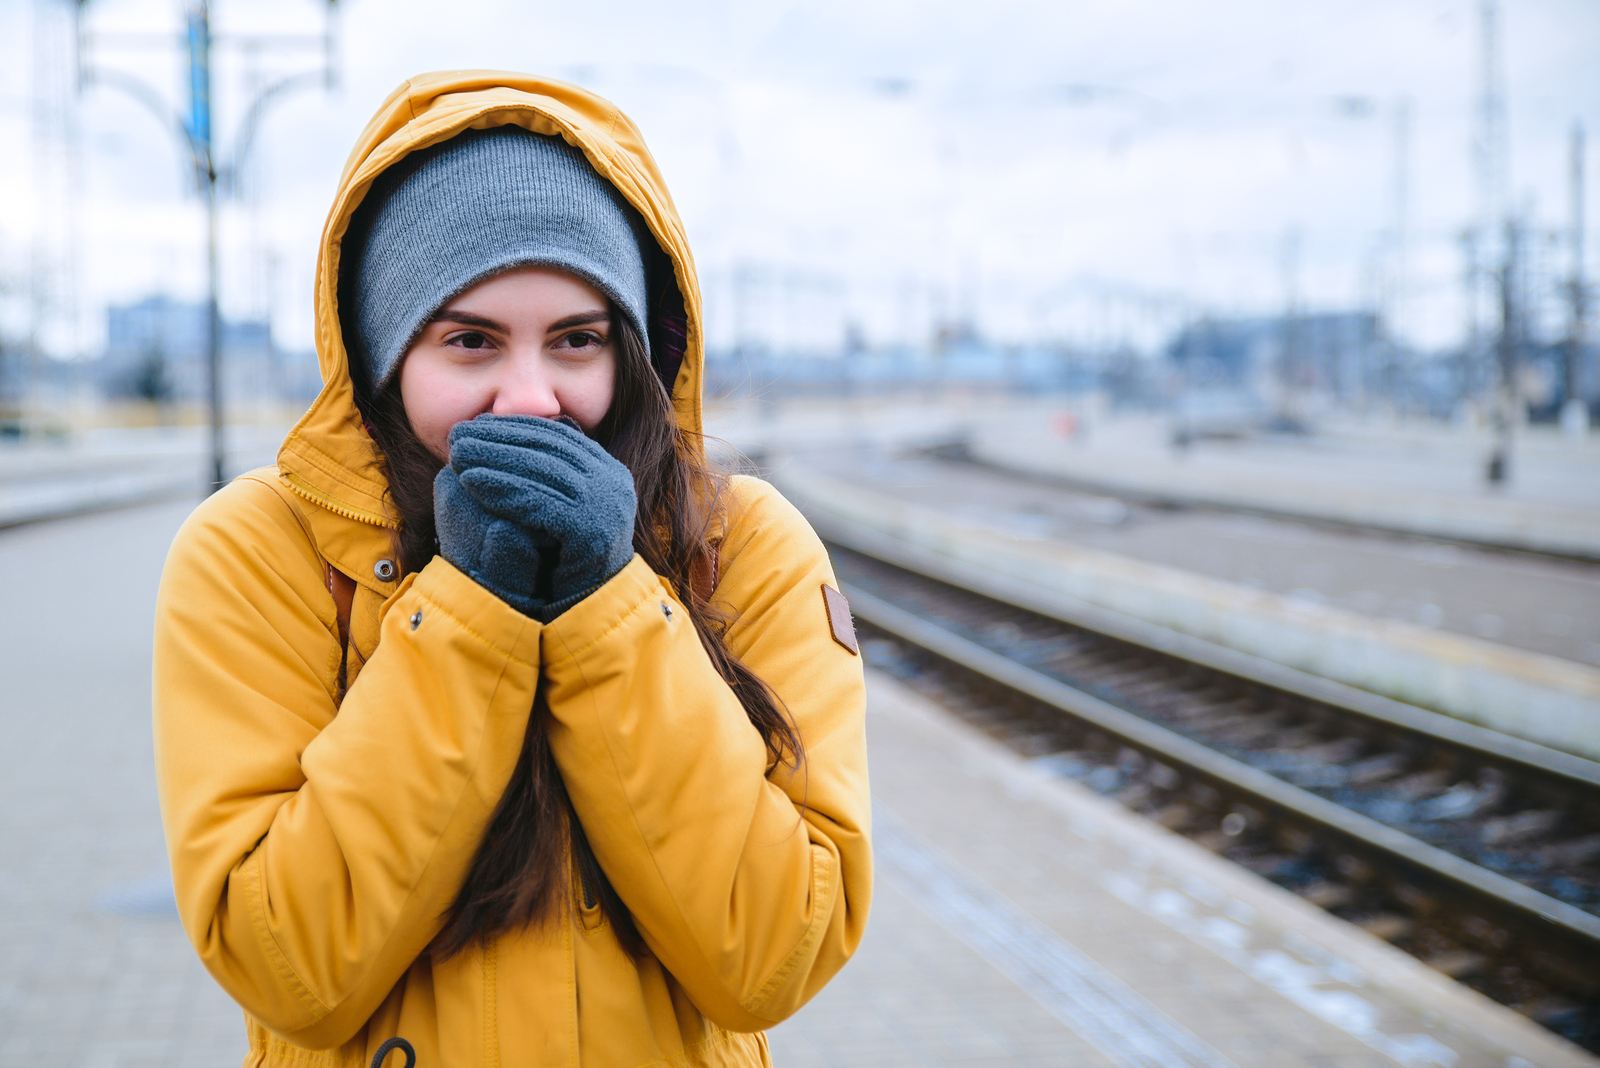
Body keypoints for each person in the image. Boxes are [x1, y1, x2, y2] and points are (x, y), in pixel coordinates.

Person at [152, 71, 871, 1068]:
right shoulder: (258, 553)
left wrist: (608, 606)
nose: (529, 400)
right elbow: (285, 966)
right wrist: (472, 614)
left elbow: (772, 956)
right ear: (384, 356)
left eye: (575, 341)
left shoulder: (740, 548)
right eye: (470, 341)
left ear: (634, 355)